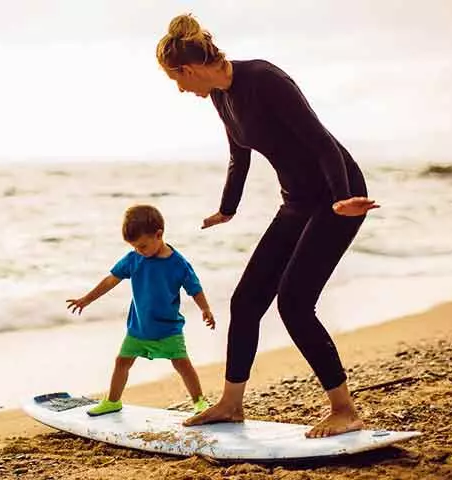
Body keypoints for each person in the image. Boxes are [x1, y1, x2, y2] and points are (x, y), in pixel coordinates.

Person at [155, 14, 380, 438]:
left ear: (187, 69)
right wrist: (227, 209)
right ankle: (231, 404)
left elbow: (321, 141)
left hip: (338, 197)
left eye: (176, 81)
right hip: (296, 202)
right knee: (245, 303)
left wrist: (341, 199)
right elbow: (240, 156)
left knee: (294, 302)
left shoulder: (264, 79)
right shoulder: (222, 98)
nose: (181, 90)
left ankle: (345, 409)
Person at [66, 204, 216, 416]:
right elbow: (111, 280)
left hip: (168, 329)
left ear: (159, 234)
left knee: (182, 364)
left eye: (143, 246)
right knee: (122, 362)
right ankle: (112, 401)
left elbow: (194, 288)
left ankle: (199, 402)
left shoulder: (178, 263)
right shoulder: (134, 259)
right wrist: (86, 299)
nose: (139, 251)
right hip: (138, 329)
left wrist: (205, 309)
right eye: (135, 247)